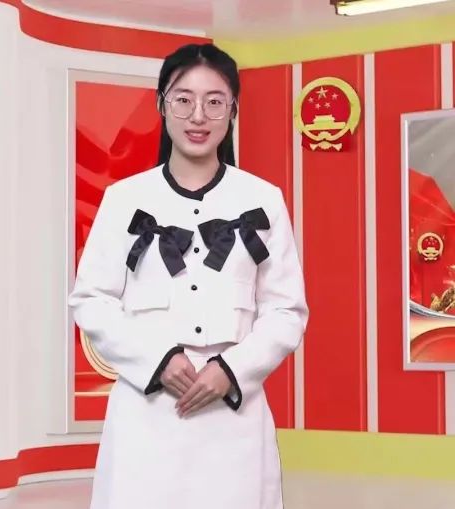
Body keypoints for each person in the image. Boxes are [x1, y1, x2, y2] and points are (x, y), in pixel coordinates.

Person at [67, 43, 308, 509]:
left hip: (233, 417)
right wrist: (159, 360)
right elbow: (91, 300)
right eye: (183, 99)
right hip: (146, 414)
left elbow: (286, 311)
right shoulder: (124, 199)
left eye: (215, 101)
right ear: (162, 104)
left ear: (233, 110)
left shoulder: (264, 199)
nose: (198, 116)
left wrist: (231, 370)